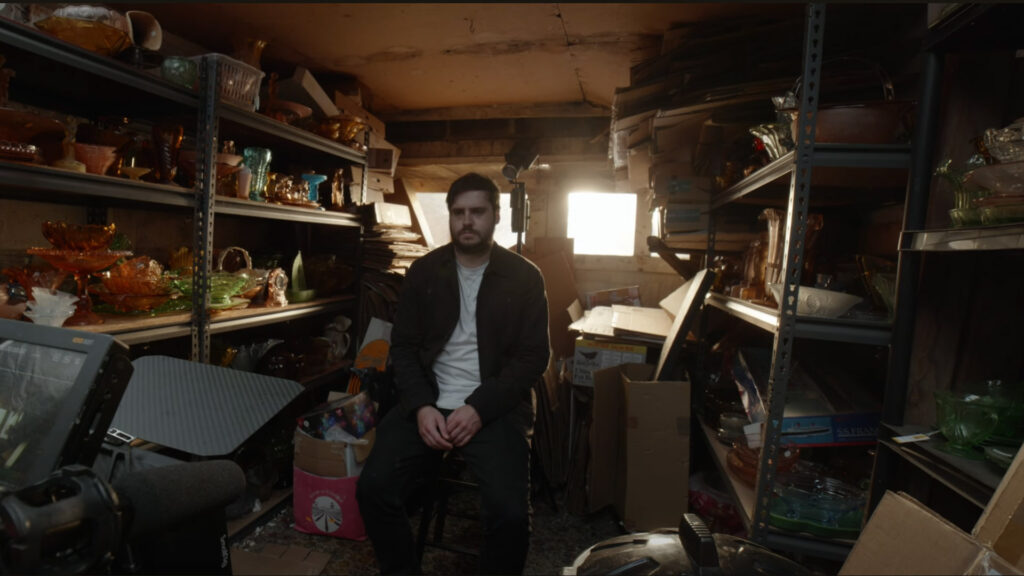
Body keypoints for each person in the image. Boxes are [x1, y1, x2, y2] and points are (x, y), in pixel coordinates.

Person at [356, 172, 550, 575]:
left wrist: (478, 408)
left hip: (493, 407)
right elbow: (404, 349)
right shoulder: (425, 272)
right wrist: (422, 406)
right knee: (373, 488)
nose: (467, 221)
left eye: (477, 212)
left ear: (495, 216)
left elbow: (533, 358)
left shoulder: (525, 276)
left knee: (510, 516)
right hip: (428, 400)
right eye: (458, 212)